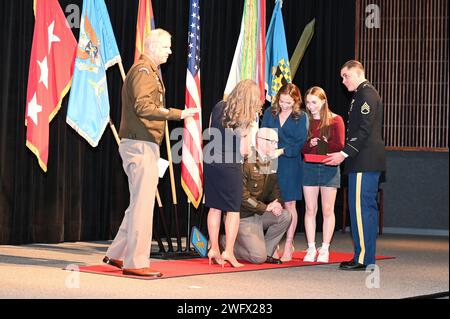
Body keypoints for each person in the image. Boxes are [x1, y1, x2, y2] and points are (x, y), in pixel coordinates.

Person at [103, 29, 199, 277]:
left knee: (138, 202)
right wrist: (177, 114)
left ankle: (116, 253)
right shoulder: (144, 72)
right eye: (166, 47)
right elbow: (144, 107)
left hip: (142, 143)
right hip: (140, 144)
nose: (170, 51)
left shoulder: (147, 71)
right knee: (144, 206)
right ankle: (135, 262)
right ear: (153, 47)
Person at [324, 60, 386, 271]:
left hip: (364, 161)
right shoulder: (360, 94)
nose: (343, 81)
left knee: (360, 210)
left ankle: (363, 258)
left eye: (346, 76)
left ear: (358, 73)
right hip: (361, 160)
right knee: (362, 209)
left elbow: (364, 130)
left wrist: (343, 153)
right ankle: (364, 255)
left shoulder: (366, 94)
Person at [204, 79, 263, 268]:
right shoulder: (245, 117)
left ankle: (213, 248)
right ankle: (228, 251)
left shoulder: (219, 106)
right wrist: (249, 130)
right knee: (233, 210)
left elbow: (210, 130)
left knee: (214, 207)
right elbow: (245, 151)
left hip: (211, 161)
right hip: (229, 164)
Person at [220, 128, 291, 264]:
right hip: (242, 216)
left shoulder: (270, 162)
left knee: (285, 215)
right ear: (259, 141)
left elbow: (276, 191)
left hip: (258, 214)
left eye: (277, 142)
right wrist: (264, 208)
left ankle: (267, 252)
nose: (276, 146)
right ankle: (225, 242)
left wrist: (277, 204)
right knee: (257, 258)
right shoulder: (246, 161)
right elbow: (242, 197)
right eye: (272, 142)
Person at [261, 83, 308, 262]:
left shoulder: (301, 117)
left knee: (289, 205)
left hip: (290, 163)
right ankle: (274, 243)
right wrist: (265, 149)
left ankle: (289, 243)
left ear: (296, 101)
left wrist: (281, 151)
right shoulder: (270, 113)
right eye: (282, 101)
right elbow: (262, 133)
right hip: (269, 163)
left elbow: (300, 142)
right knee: (272, 203)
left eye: (289, 103)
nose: (285, 105)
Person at [301, 87, 345, 263]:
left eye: (314, 102)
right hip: (309, 167)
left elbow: (340, 146)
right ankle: (311, 247)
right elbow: (301, 148)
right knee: (310, 209)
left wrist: (327, 143)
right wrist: (309, 143)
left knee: (328, 210)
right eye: (308, 103)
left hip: (329, 168)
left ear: (324, 101)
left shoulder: (336, 120)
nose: (310, 106)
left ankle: (325, 248)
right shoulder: (305, 120)